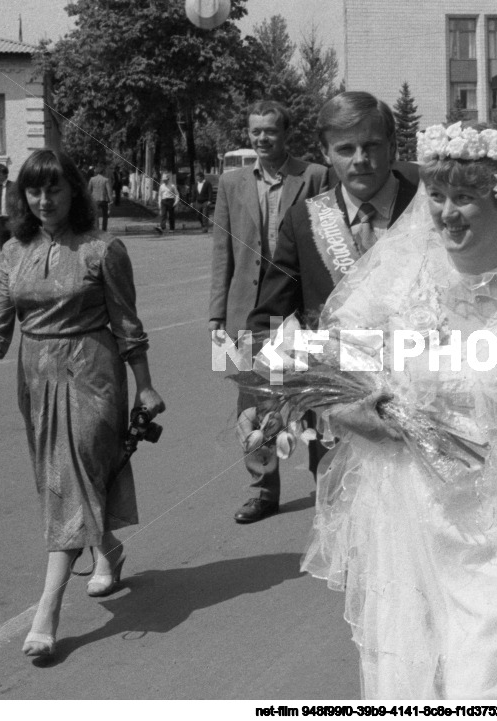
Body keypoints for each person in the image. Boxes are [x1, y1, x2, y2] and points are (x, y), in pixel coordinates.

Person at [301, 121, 497, 699]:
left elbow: (491, 382)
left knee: (493, 672)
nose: (448, 212)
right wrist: (350, 407)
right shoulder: (400, 269)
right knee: (410, 670)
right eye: (437, 196)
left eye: (466, 197)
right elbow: (334, 355)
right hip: (404, 501)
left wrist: (399, 383)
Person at [0, 148, 166, 662]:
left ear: (73, 191)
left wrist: (143, 385)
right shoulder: (13, 250)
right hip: (35, 375)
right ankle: (110, 552)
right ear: (22, 196)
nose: (44, 199)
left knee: (72, 472)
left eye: (54, 189)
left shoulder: (103, 249)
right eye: (34, 190)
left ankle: (47, 608)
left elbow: (127, 324)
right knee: (60, 477)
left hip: (93, 371)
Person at [236, 92, 420, 523]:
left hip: (426, 400)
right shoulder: (304, 220)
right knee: (353, 531)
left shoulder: (429, 205)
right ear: (326, 153)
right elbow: (271, 318)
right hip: (340, 417)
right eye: (346, 149)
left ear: (392, 146)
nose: (360, 159)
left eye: (372, 146)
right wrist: (260, 397)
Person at [208, 99, 329, 523]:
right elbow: (222, 251)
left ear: (286, 134)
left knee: (313, 398)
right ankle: (262, 490)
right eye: (255, 131)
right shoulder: (231, 182)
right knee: (252, 403)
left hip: (301, 311)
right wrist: (216, 316)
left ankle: (328, 488)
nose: (262, 138)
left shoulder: (314, 176)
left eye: (270, 131)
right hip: (246, 310)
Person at [87, 165, 113, 232]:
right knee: (105, 215)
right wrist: (111, 200)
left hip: (94, 199)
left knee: (96, 215)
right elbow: (109, 191)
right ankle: (104, 229)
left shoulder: (92, 179)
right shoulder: (106, 180)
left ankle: (97, 230)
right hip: (104, 199)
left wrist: (88, 199)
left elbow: (89, 190)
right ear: (103, 172)